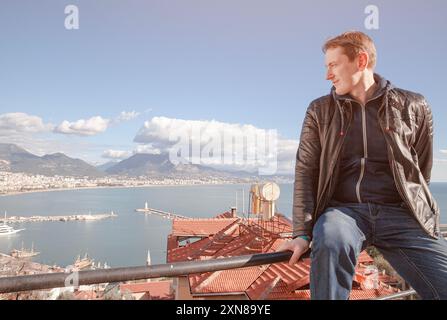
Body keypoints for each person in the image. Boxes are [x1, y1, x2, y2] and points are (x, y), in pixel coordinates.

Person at [277, 31, 447, 300]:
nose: (327, 75)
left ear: (361, 60)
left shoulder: (415, 105)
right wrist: (301, 233)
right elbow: (306, 171)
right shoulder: (319, 110)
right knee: (330, 240)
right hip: (343, 214)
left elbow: (420, 169)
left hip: (400, 215)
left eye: (333, 65)